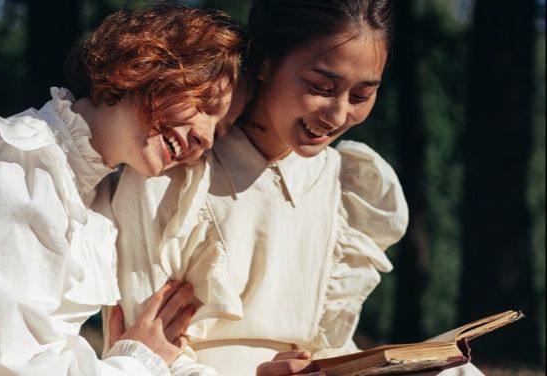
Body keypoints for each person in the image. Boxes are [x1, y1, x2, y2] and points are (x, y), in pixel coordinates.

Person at [0, 4, 247, 375]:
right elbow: (15, 362)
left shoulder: (100, 194)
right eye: (205, 104)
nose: (207, 139)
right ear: (145, 67)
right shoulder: (16, 160)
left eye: (221, 130)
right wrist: (137, 361)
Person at [109, 1, 484, 375]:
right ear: (266, 62)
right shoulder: (170, 174)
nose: (338, 115)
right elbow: (142, 353)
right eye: (321, 87)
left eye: (361, 96)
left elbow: (332, 345)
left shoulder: (344, 183)